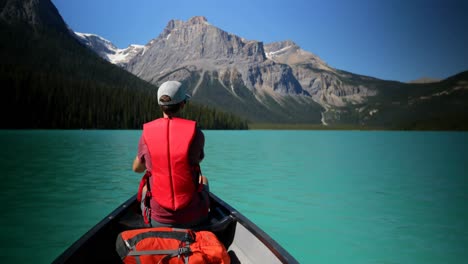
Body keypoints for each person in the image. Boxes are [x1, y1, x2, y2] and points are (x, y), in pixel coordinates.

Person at [132, 80, 210, 228]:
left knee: (145, 186)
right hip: (194, 218)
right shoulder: (197, 134)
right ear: (182, 104)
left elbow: (137, 169)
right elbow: (198, 160)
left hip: (157, 221)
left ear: (160, 105)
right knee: (203, 179)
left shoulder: (146, 136)